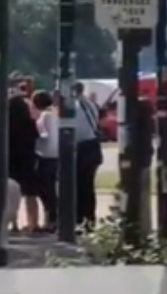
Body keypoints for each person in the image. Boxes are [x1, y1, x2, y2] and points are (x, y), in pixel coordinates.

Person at [8, 94, 41, 233]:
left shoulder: (7, 124)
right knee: (30, 193)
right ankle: (33, 223)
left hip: (11, 159)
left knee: (11, 194)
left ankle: (14, 223)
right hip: (27, 159)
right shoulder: (29, 123)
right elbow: (36, 137)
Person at [74, 82, 103, 229]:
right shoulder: (90, 104)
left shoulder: (75, 107)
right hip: (93, 146)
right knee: (88, 186)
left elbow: (75, 131)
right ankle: (90, 218)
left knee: (78, 186)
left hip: (82, 147)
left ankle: (80, 219)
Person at [32, 90, 59, 232]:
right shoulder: (54, 112)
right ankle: (52, 218)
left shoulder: (45, 116)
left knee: (46, 190)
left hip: (45, 155)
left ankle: (51, 219)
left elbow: (44, 135)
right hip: (55, 155)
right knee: (50, 189)